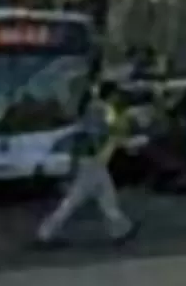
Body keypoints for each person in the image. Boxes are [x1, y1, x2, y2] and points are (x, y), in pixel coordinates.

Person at [34, 79, 135, 249]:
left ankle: (121, 229)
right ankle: (46, 233)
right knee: (75, 200)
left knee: (106, 197)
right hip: (93, 160)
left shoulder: (94, 107)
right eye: (117, 94)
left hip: (91, 159)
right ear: (112, 95)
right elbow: (107, 132)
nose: (119, 97)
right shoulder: (102, 109)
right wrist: (118, 137)